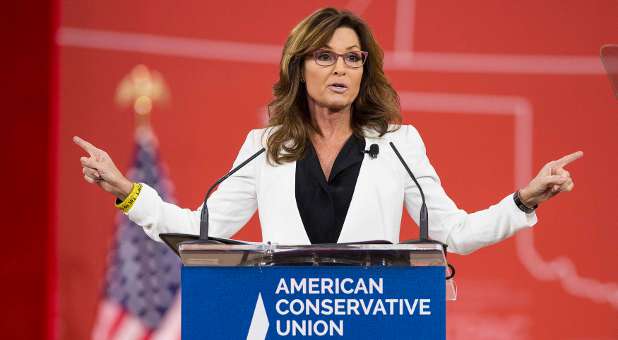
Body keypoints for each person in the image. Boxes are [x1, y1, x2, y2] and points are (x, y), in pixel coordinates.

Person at [74, 8, 582, 255]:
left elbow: (453, 234)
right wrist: (127, 192)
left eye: (352, 58)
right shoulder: (264, 148)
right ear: (300, 68)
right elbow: (202, 233)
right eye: (325, 56)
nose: (341, 69)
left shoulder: (399, 144)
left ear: (365, 70)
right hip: (285, 322)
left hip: (374, 322)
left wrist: (525, 200)